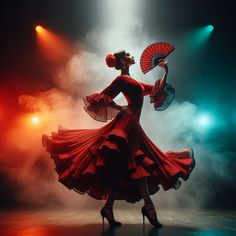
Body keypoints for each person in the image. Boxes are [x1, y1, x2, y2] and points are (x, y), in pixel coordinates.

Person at [42, 50, 195, 228]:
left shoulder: (135, 82)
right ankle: (148, 206)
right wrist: (119, 107)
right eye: (128, 55)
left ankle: (110, 208)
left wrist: (165, 71)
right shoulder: (121, 80)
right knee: (133, 163)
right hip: (125, 125)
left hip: (133, 125)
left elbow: (157, 90)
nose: (132, 55)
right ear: (122, 62)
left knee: (124, 167)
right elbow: (102, 97)